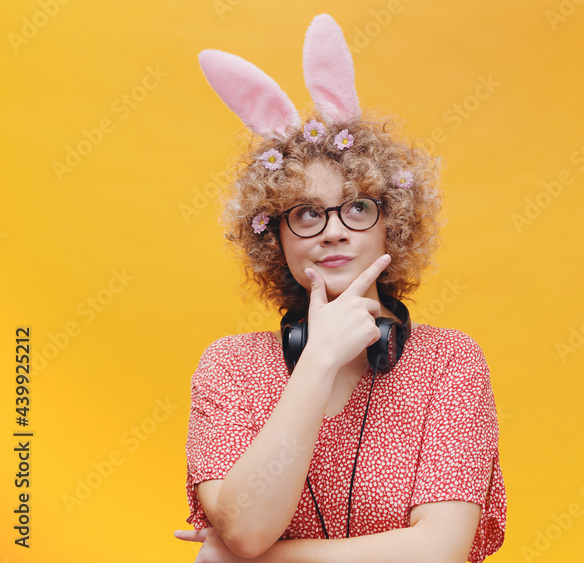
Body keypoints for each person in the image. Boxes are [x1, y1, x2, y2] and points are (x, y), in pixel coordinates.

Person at [173, 14, 506, 562]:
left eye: (356, 208)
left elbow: (438, 552)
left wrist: (245, 560)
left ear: (390, 223)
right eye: (305, 213)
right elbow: (248, 529)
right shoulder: (227, 368)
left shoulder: (451, 362)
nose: (332, 230)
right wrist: (318, 359)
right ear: (273, 237)